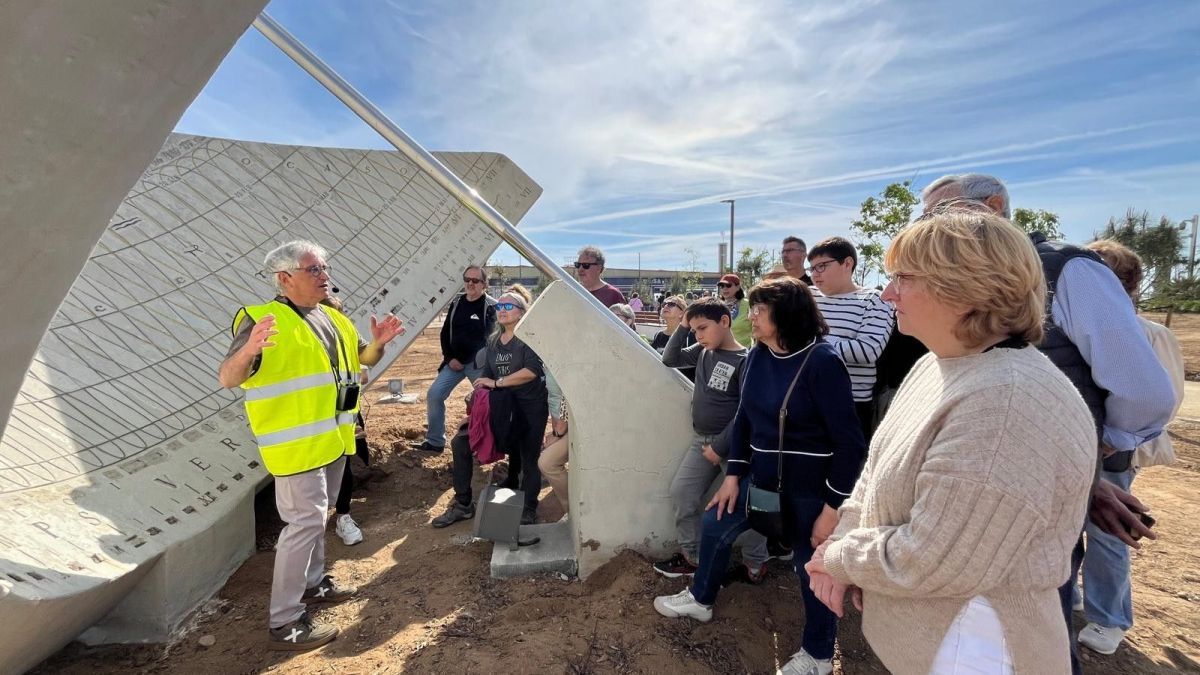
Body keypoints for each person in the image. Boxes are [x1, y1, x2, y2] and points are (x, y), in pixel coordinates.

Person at [807, 210, 1097, 674]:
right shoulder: (938, 365)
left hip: (976, 652)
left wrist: (839, 558)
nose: (887, 292)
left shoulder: (1005, 404)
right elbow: (876, 473)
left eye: (902, 277)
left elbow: (934, 558)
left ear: (964, 285)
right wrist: (842, 541)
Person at [919, 174, 1174, 672]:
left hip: (1036, 498)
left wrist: (1089, 456)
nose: (933, 229)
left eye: (941, 215)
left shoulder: (1067, 268)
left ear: (993, 207)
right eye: (926, 219)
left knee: (1033, 632)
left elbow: (1143, 390)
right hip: (980, 489)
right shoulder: (968, 284)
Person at [654, 277, 866, 675]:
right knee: (716, 522)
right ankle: (700, 599)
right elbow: (746, 420)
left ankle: (818, 656)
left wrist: (832, 508)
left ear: (786, 315)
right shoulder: (757, 357)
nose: (749, 316)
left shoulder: (822, 361)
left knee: (810, 568)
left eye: (759, 309)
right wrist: (733, 476)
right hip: (763, 481)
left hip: (810, 488)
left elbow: (851, 443)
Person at [218, 240, 405, 651]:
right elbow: (229, 378)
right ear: (284, 278)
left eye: (325, 268)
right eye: (314, 270)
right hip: (296, 447)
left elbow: (365, 359)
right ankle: (284, 622)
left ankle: (315, 584)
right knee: (303, 524)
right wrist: (248, 351)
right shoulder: (262, 319)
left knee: (316, 519)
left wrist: (379, 342)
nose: (325, 276)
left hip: (333, 438)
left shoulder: (333, 318)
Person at [1075, 239, 1185, 655]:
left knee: (1106, 533)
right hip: (1075, 447)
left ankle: (1109, 619)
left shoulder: (1149, 335)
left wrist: (1111, 441)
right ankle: (1077, 596)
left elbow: (1164, 398)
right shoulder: (1079, 328)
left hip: (1111, 452)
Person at [651, 298, 771, 584]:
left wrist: (720, 447)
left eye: (703, 327)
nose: (699, 335)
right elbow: (669, 359)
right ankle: (693, 557)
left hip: (734, 446)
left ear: (725, 322)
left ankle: (756, 564)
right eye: (694, 330)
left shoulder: (746, 361)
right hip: (700, 441)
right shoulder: (704, 352)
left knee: (750, 505)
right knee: (682, 492)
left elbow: (747, 411)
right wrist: (683, 326)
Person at [806, 237, 894, 441]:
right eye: (812, 269)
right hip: (804, 399)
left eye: (821, 267)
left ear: (847, 263)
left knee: (846, 469)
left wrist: (813, 343)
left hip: (850, 404)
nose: (815, 275)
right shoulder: (807, 297)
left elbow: (867, 351)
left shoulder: (874, 300)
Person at [474, 285, 548, 524]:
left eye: (508, 306)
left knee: (530, 456)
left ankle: (529, 506)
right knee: (513, 451)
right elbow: (486, 374)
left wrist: (497, 383)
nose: (502, 310)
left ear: (521, 311)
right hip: (507, 406)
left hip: (531, 405)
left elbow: (531, 372)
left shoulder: (529, 338)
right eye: (499, 306)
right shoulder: (494, 340)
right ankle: (512, 489)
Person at [412, 265, 496, 453]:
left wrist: (484, 365)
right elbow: (444, 333)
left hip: (478, 366)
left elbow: (493, 339)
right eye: (467, 279)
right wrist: (449, 358)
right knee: (434, 395)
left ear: (484, 284)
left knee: (487, 403)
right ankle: (435, 442)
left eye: (475, 280)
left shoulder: (490, 307)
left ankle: (486, 445)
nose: (470, 284)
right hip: (454, 364)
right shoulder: (457, 303)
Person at [537, 371, 571, 517]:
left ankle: (574, 511)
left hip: (572, 425)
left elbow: (568, 395)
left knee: (547, 462)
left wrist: (559, 432)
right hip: (561, 424)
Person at [651, 295, 696, 381]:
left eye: (671, 304)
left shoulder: (690, 336)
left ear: (682, 313)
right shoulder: (659, 335)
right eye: (664, 304)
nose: (666, 306)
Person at [717, 273, 752, 345]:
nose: (724, 288)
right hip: (719, 351)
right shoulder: (716, 306)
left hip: (743, 352)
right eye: (722, 286)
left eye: (728, 285)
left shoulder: (748, 305)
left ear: (738, 287)